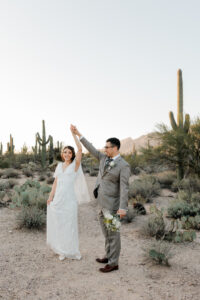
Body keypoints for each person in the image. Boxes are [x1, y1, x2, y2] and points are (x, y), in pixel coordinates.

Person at [71, 125, 131, 273]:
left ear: (115, 148)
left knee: (113, 233)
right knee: (106, 232)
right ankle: (108, 255)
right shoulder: (103, 158)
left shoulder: (124, 165)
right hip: (100, 203)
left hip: (112, 205)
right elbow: (90, 148)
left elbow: (124, 187)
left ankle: (114, 263)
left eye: (108, 147)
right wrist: (79, 134)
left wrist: (123, 207)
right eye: (105, 147)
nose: (105, 149)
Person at [46, 125, 90, 261]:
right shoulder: (59, 166)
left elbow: (80, 149)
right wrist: (50, 197)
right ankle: (61, 250)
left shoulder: (75, 165)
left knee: (69, 225)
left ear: (72, 155)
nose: (67, 154)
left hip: (70, 199)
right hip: (59, 199)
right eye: (65, 152)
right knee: (59, 224)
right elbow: (55, 183)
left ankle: (71, 250)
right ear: (62, 154)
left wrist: (74, 134)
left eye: (69, 153)